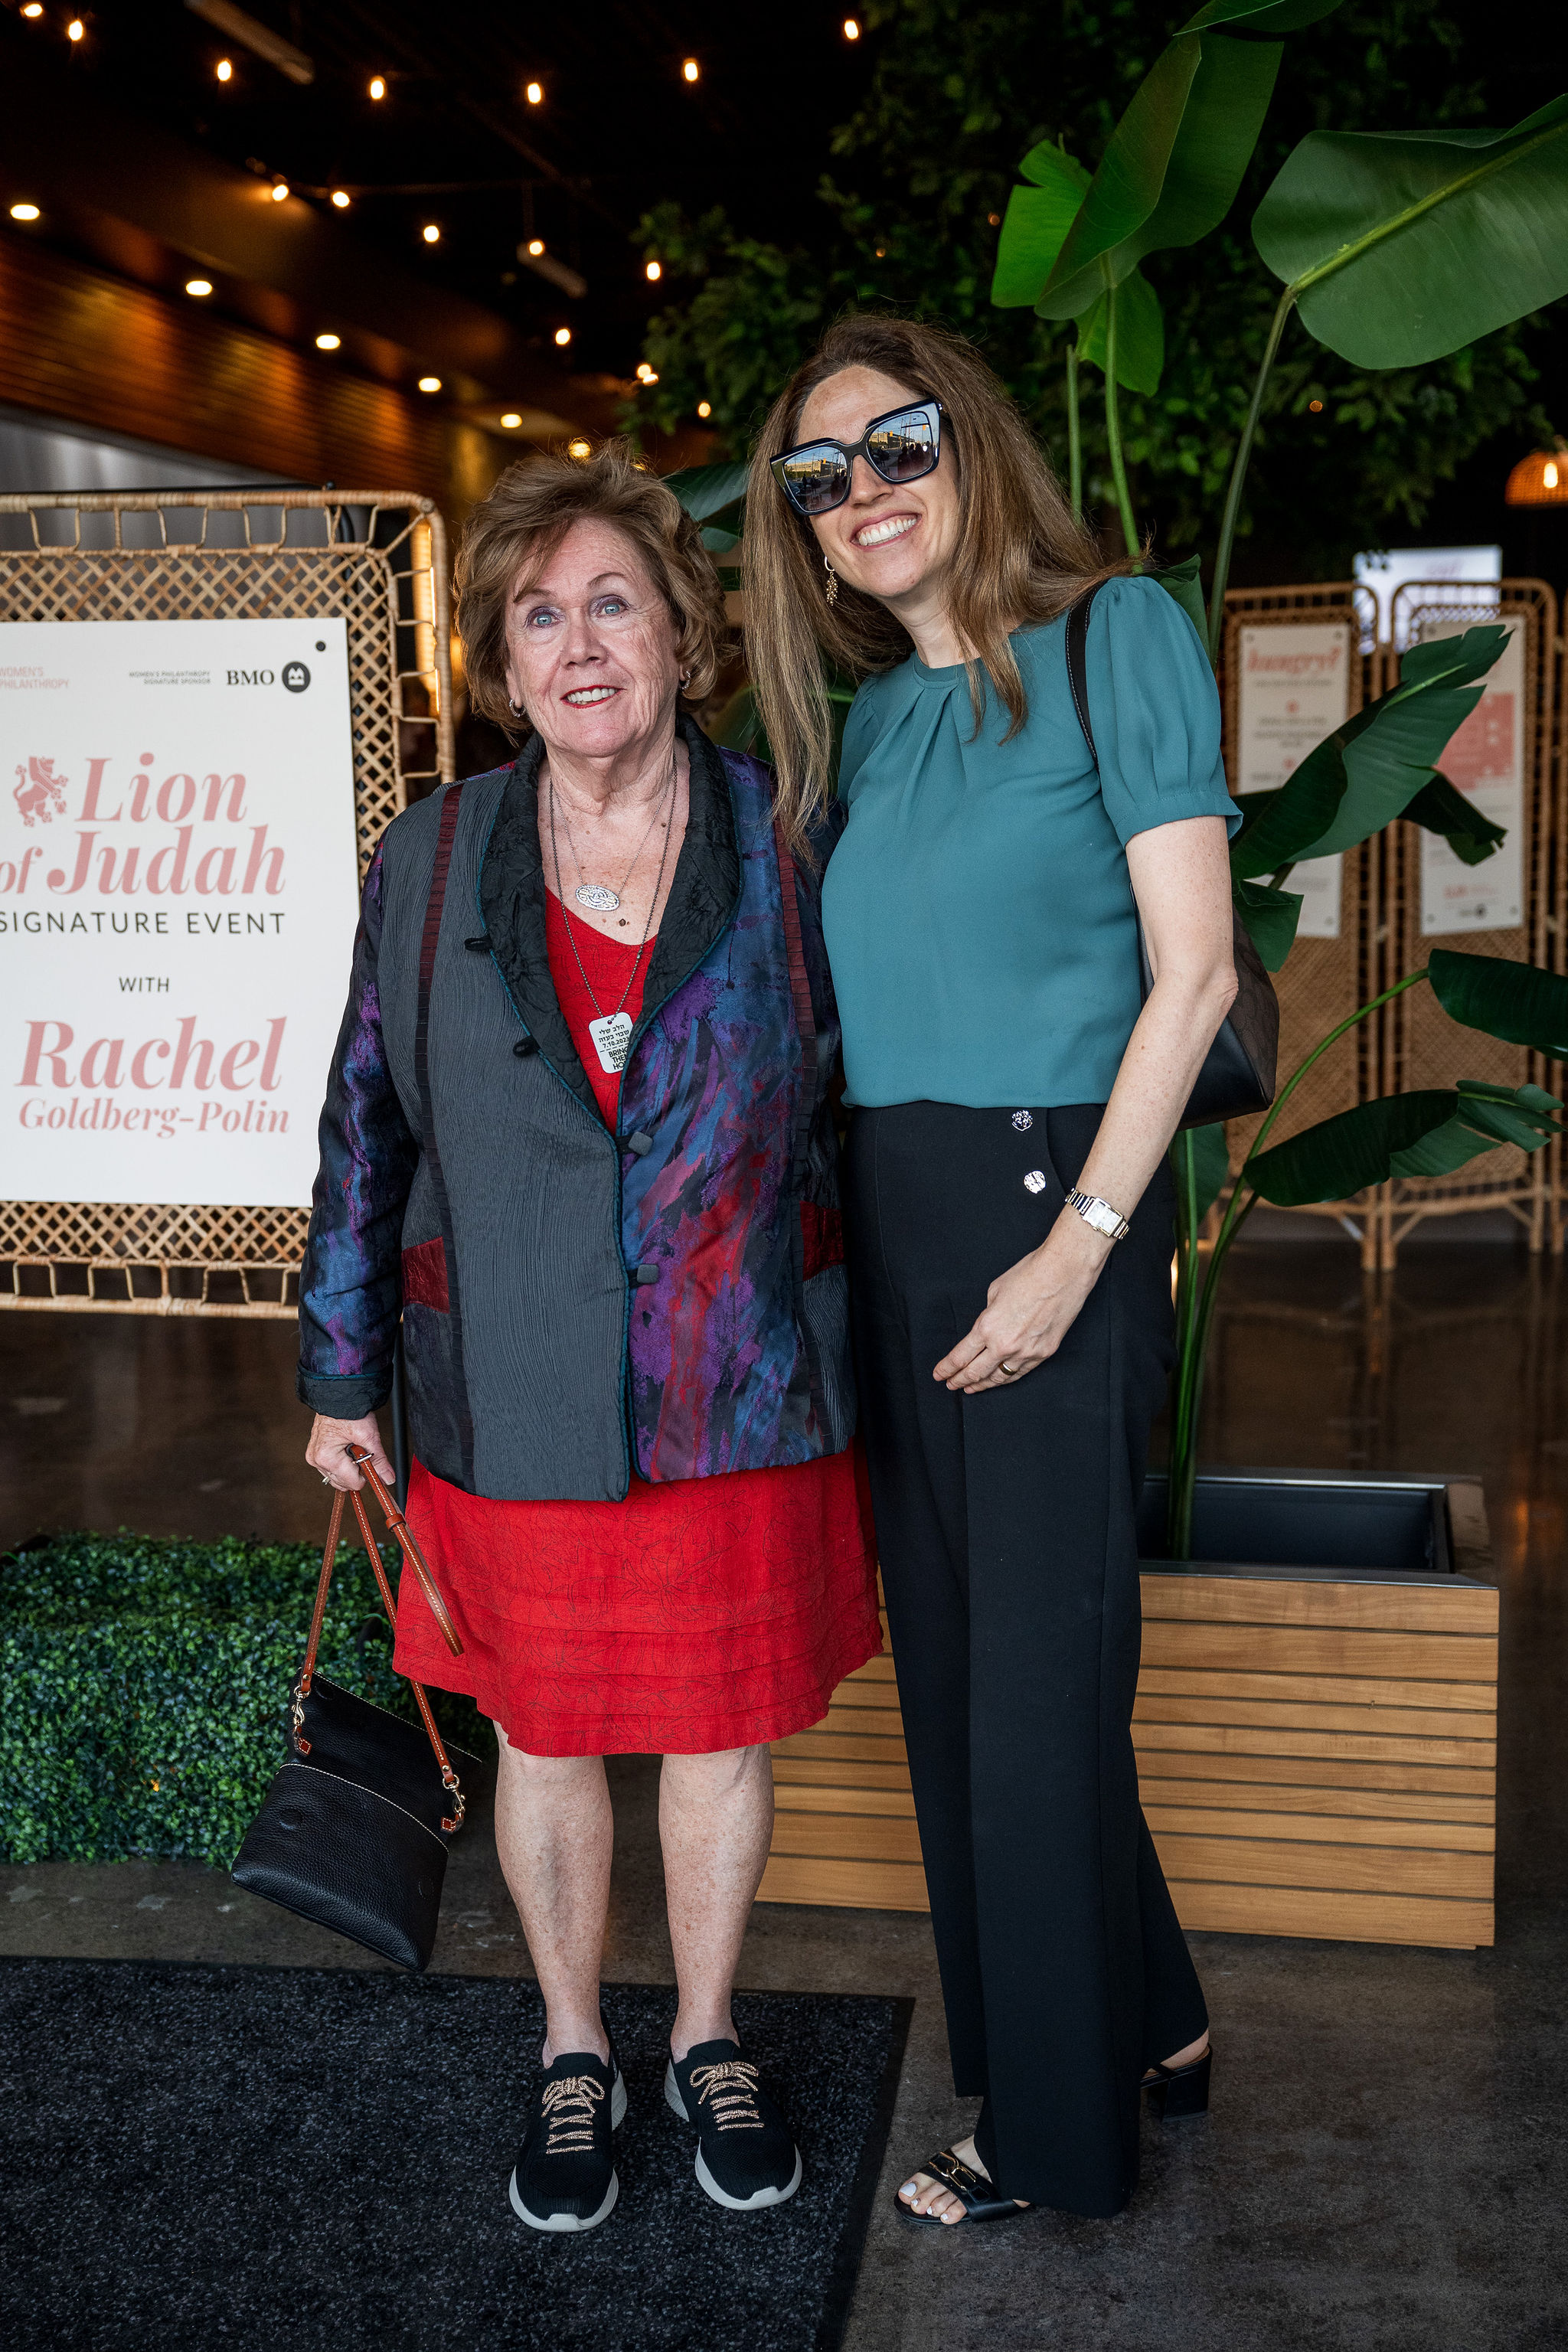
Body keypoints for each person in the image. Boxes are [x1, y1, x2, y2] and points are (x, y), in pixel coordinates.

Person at [296, 443, 880, 2233]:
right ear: (499, 659)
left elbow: (864, 1107)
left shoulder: (789, 838)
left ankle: (704, 2033)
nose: (580, 645)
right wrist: (337, 1372)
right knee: (543, 1737)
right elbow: (364, 1124)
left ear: (682, 635)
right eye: (539, 617)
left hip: (737, 1374)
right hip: (512, 1380)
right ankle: (571, 2047)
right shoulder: (429, 856)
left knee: (718, 1735)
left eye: (614, 603)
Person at [744, 316, 1240, 2226]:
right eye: (818, 476)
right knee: (966, 1682)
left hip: (1059, 1203)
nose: (861, 493)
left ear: (973, 444)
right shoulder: (872, 723)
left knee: (1032, 1696)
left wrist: (1076, 1253)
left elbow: (1191, 976)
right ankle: (1157, 2025)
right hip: (902, 1216)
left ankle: (1055, 2138)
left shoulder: (1118, 636)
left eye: (897, 445)